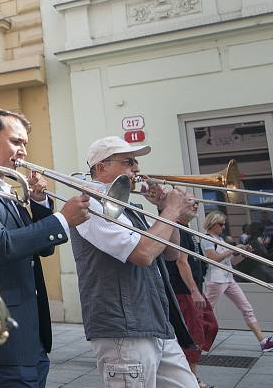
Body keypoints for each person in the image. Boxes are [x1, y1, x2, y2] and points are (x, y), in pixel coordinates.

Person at [0, 108, 90, 388]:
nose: (23, 150)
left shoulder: (4, 188)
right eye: (15, 142)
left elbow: (41, 250)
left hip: (28, 335)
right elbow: (4, 245)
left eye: (25, 143)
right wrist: (62, 218)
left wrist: (39, 203)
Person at [70, 136, 199, 388]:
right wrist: (172, 211)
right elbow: (143, 254)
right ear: (101, 167)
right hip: (124, 330)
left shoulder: (129, 206)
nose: (137, 168)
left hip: (155, 322)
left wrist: (163, 209)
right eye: (128, 161)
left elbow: (171, 254)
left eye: (136, 162)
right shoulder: (91, 206)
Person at [202, 211, 273, 352]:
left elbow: (231, 262)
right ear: (212, 224)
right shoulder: (207, 239)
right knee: (204, 312)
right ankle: (194, 339)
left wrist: (242, 252)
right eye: (220, 224)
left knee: (246, 308)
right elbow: (213, 259)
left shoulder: (220, 239)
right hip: (216, 280)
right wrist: (232, 249)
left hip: (228, 278)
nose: (223, 227)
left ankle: (263, 342)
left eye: (224, 224)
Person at [164, 206, 218, 388]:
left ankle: (186, 373)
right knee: (194, 335)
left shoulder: (188, 229)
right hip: (184, 290)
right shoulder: (178, 228)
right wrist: (194, 291)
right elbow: (181, 261)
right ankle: (192, 379)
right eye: (190, 202)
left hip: (194, 288)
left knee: (209, 326)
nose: (195, 205)